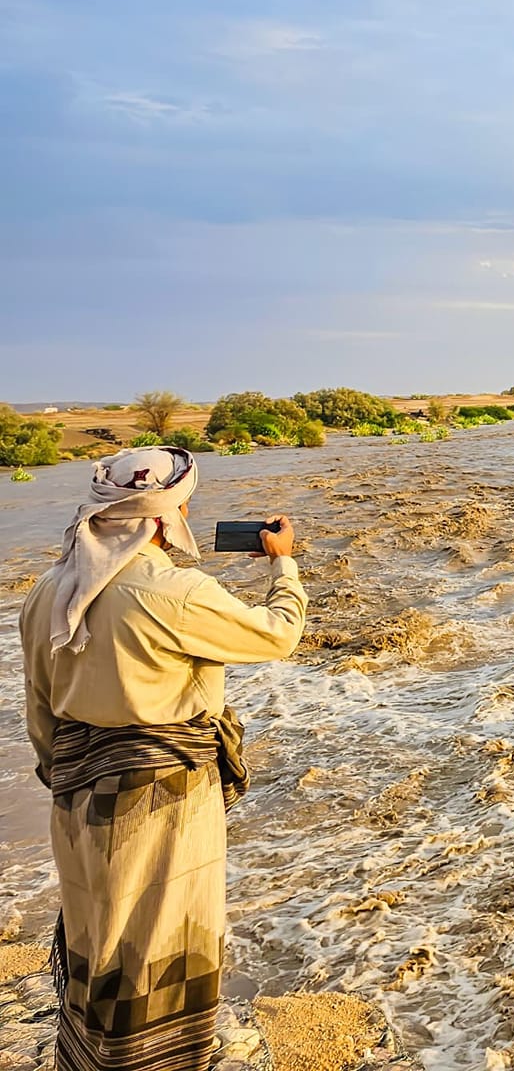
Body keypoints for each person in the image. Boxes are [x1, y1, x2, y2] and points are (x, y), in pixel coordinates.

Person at [17, 447, 306, 1071]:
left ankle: (91, 1057)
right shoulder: (174, 590)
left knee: (97, 937)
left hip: (76, 795)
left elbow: (39, 709)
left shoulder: (46, 591)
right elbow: (278, 635)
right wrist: (283, 567)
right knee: (162, 941)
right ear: (164, 518)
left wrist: (68, 778)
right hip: (163, 796)